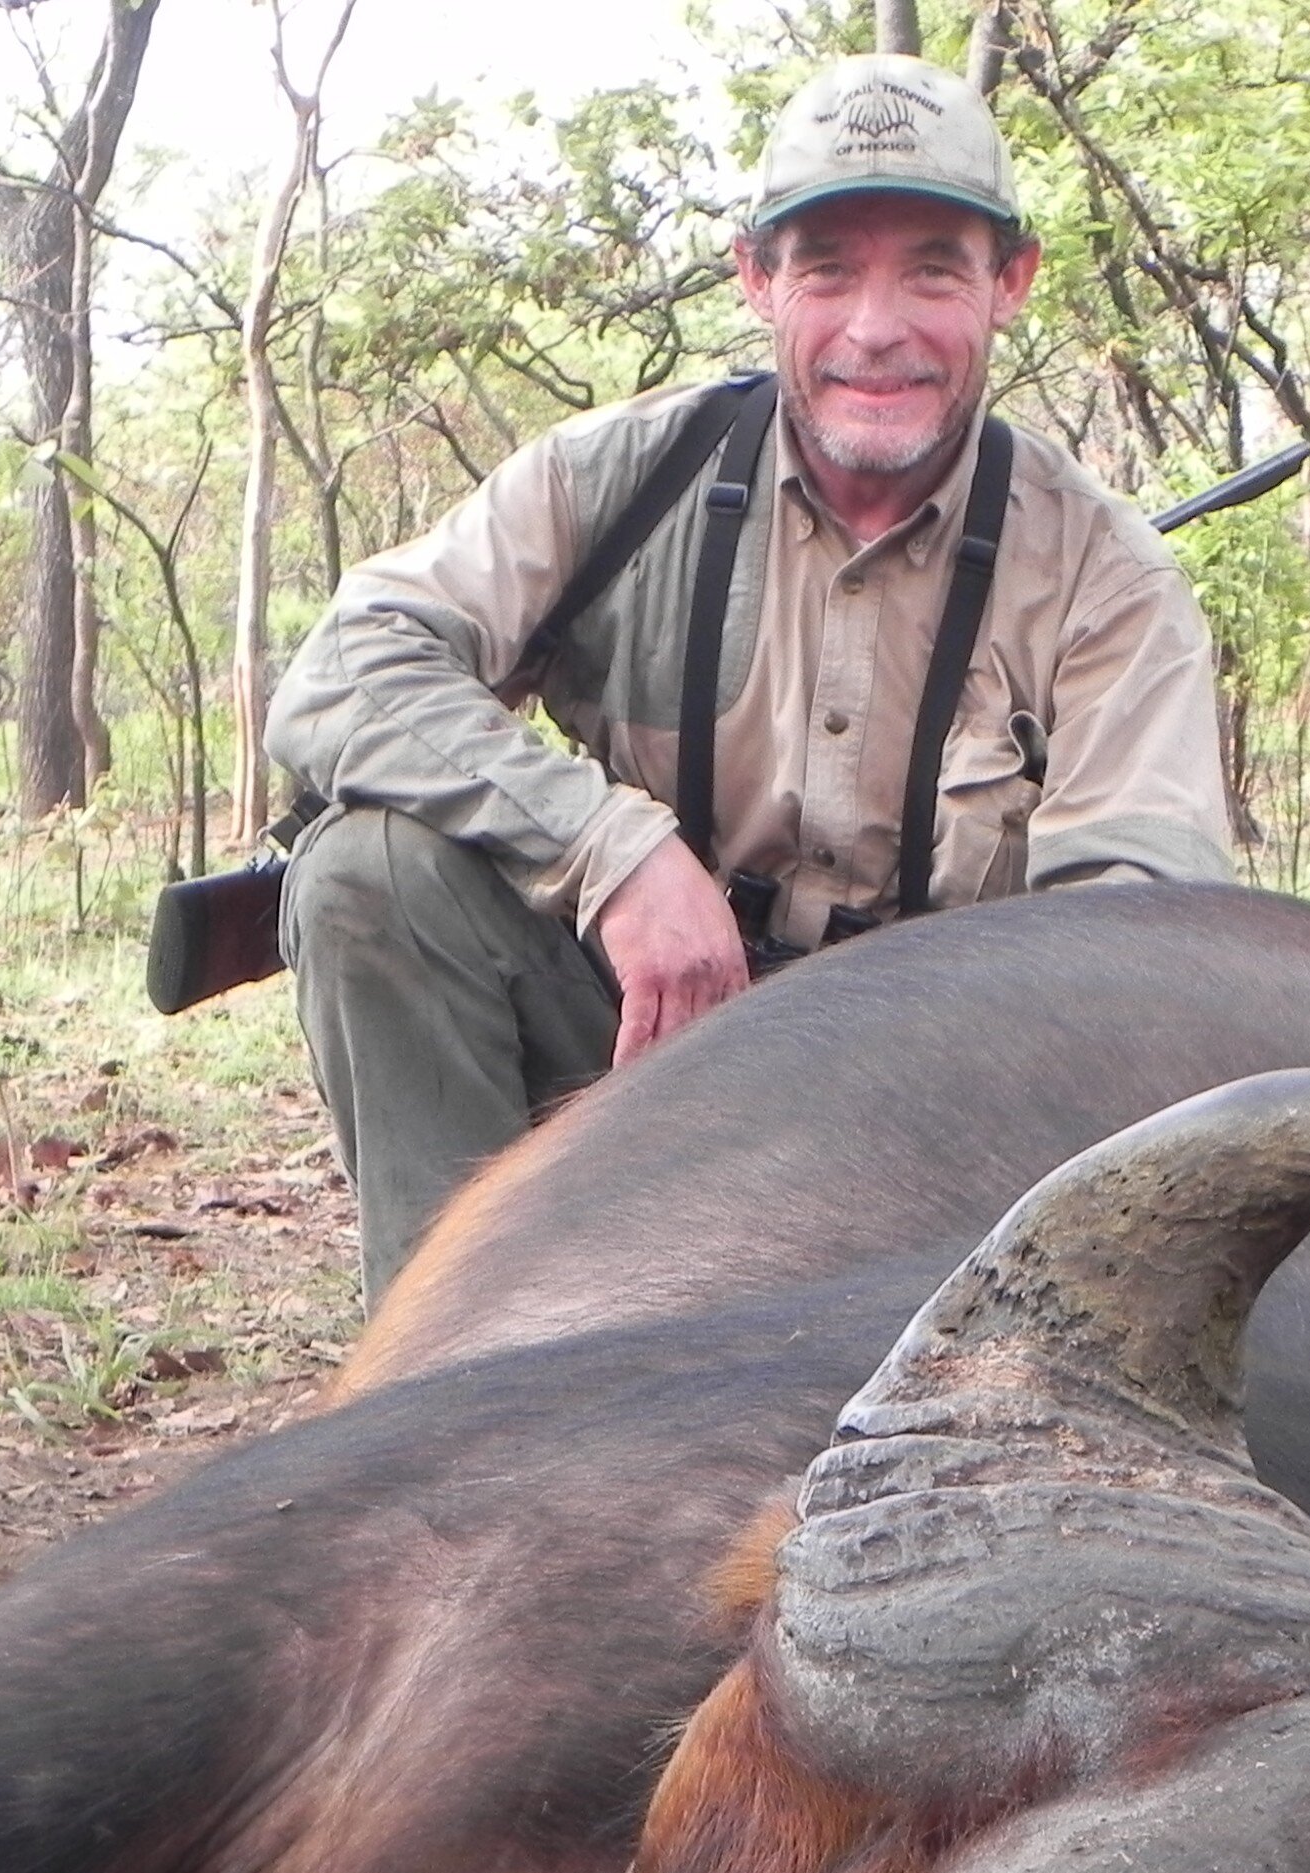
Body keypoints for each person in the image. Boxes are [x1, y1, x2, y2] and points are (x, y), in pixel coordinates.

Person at [265, 53, 1235, 1297]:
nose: (875, 329)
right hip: (644, 1044)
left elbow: (1141, 940)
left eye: (934, 267)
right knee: (366, 874)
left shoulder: (1105, 574)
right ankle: (445, 1362)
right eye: (827, 267)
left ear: (1012, 284)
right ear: (758, 279)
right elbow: (345, 671)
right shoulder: (622, 477)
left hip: (942, 1115)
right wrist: (612, 852)